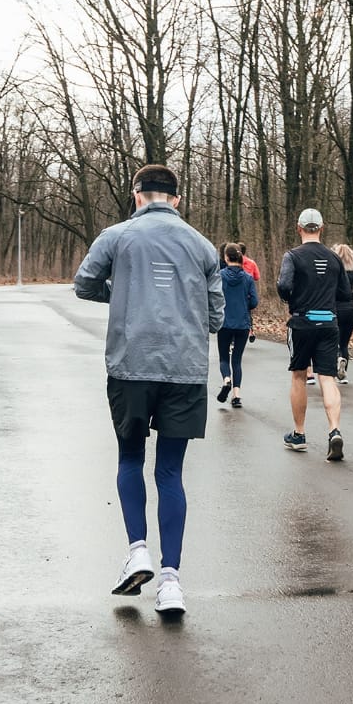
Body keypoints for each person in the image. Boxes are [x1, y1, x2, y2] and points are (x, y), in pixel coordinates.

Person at [73, 164, 224, 615]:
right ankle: (171, 583)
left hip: (131, 366)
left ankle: (138, 549)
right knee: (171, 473)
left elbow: (83, 284)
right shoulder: (201, 246)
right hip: (185, 369)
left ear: (136, 194)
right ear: (175, 199)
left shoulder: (116, 237)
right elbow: (215, 318)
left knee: (130, 459)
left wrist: (122, 293)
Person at [277, 207, 353, 461]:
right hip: (329, 324)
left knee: (299, 376)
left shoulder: (293, 256)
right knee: (328, 378)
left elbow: (284, 285)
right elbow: (345, 293)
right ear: (321, 229)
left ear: (299, 228)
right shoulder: (334, 259)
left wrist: (292, 298)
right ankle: (334, 430)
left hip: (302, 323)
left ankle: (299, 435)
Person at [216, 243, 258, 408]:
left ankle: (226, 379)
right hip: (242, 323)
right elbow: (254, 301)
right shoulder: (247, 278)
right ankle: (236, 396)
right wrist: (244, 302)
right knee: (237, 360)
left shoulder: (220, 276)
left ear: (226, 258)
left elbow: (215, 297)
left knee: (224, 357)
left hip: (225, 322)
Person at [330, 243, 353, 384]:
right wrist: (350, 295)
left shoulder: (333, 273)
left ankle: (337, 362)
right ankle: (344, 374)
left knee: (334, 341)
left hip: (335, 309)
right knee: (344, 343)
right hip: (350, 310)